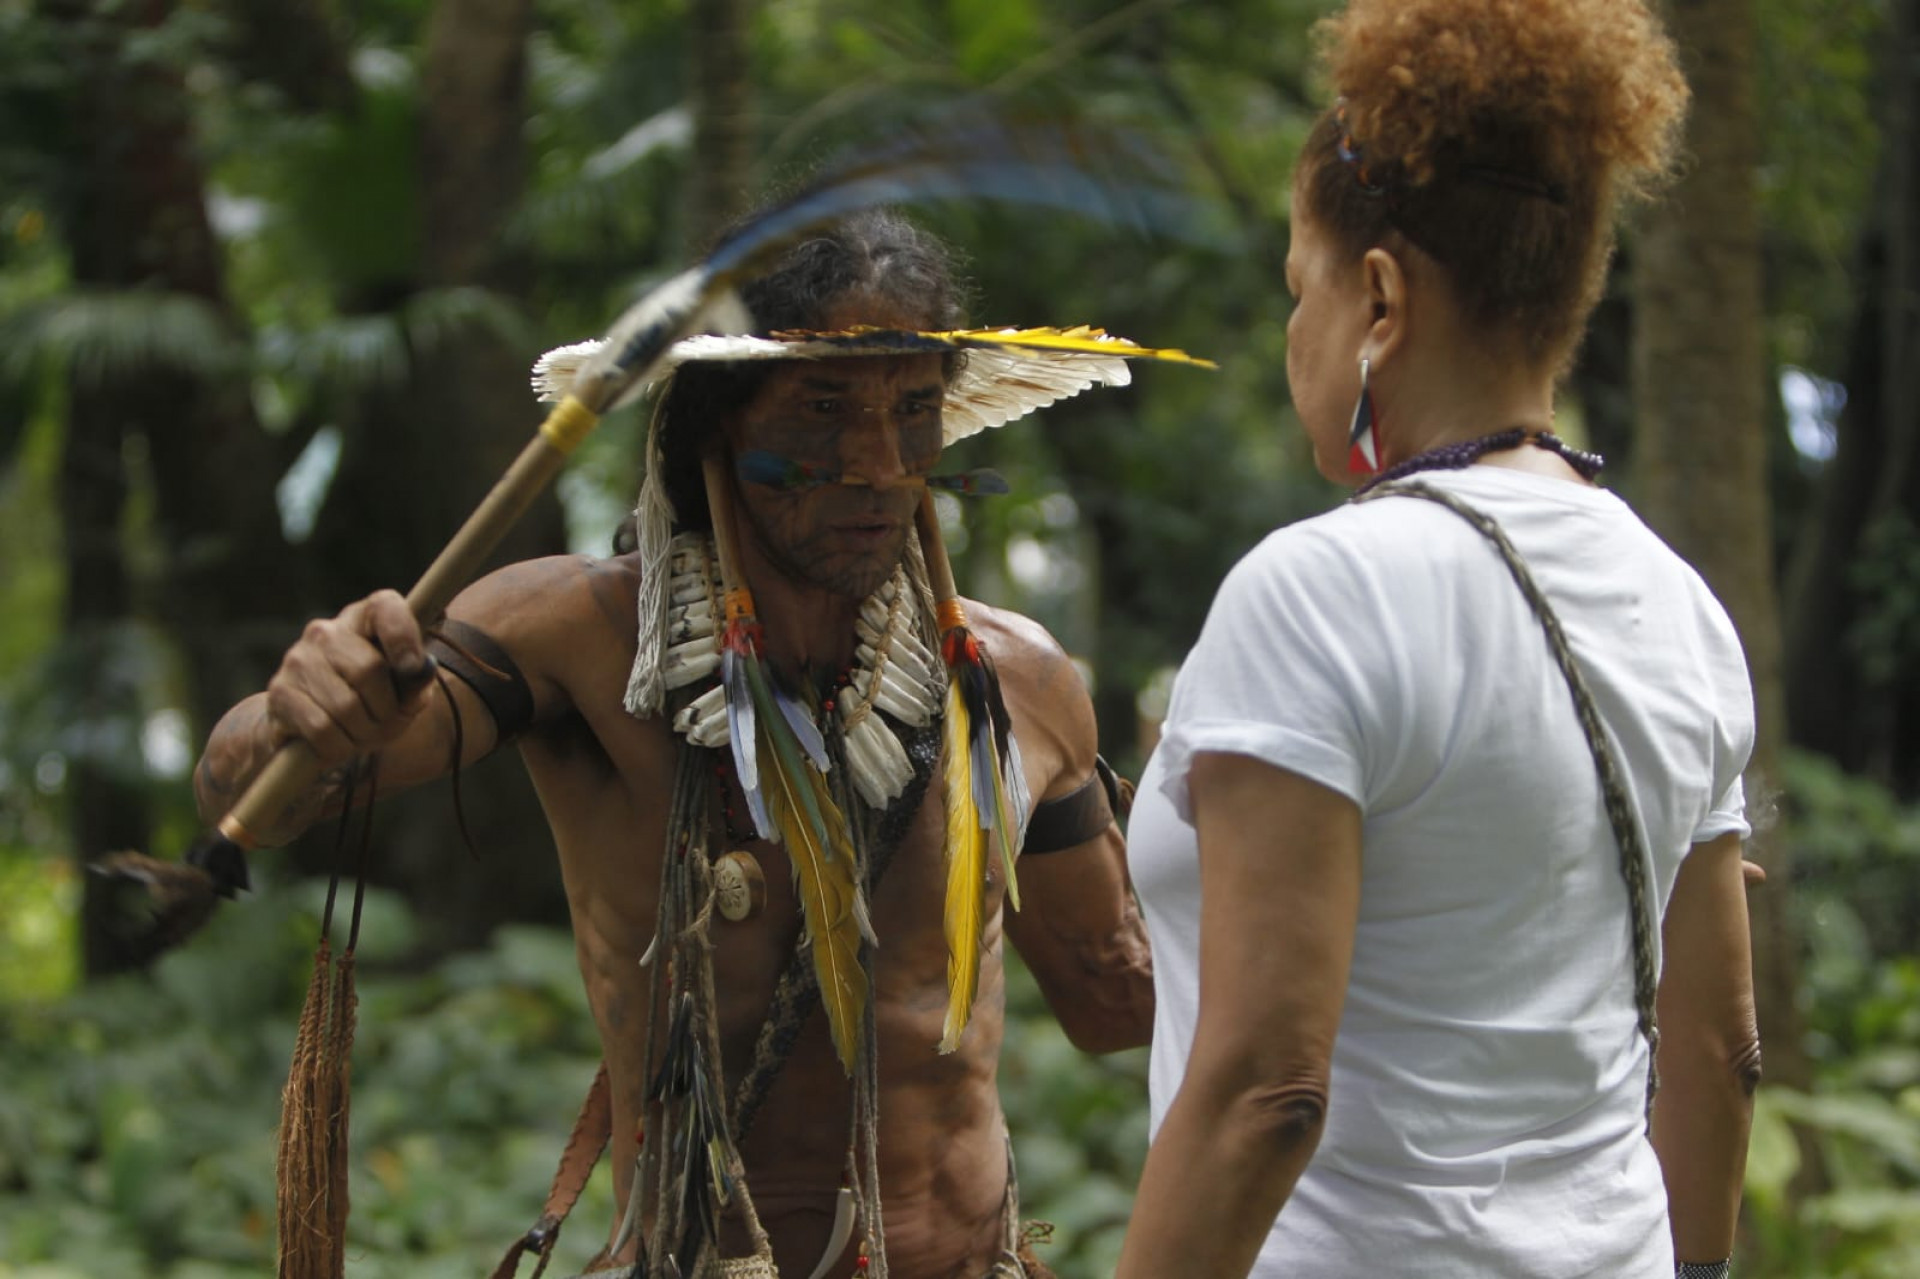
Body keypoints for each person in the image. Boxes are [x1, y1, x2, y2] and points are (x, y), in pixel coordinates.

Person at [193, 210, 1167, 1279]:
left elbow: (1114, 1007)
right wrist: (307, 710)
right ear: (713, 423)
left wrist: (1218, 843)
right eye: (825, 408)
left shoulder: (1016, 679)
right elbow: (272, 791)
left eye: (914, 411)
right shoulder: (580, 639)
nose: (879, 464)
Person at [1115, 3, 1760, 1277]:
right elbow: (1718, 1053)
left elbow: (1267, 1093)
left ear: (1381, 298)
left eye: (1299, 288)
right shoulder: (1681, 605)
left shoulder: (1317, 593)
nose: (1293, 333)